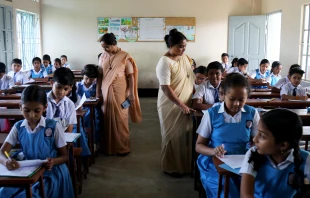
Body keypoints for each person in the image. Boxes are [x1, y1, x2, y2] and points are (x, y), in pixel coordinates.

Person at [0, 85, 74, 198]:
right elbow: (3, 152)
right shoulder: (19, 127)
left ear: (45, 108)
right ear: (20, 107)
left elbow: (65, 156)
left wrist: (53, 161)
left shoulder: (53, 126)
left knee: (28, 195)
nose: (31, 115)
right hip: (27, 171)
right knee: (3, 193)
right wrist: (6, 161)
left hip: (50, 172)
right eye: (27, 110)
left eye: (37, 111)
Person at [196, 73, 260, 198]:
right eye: (232, 99)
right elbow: (199, 146)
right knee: (227, 190)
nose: (236, 104)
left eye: (241, 100)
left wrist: (255, 146)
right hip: (216, 162)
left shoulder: (252, 113)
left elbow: (257, 141)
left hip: (244, 161)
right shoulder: (212, 114)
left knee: (257, 188)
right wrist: (214, 151)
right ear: (222, 95)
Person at [240, 109, 310, 198]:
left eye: (262, 136)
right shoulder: (253, 154)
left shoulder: (305, 159)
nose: (254, 139)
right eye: (258, 132)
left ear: (283, 145)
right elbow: (246, 195)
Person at [156, 29, 195, 177]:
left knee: (185, 134)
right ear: (170, 45)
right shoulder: (164, 62)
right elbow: (166, 88)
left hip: (186, 102)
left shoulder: (184, 57)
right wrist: (181, 104)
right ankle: (172, 167)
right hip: (170, 105)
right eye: (180, 46)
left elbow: (189, 76)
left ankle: (185, 166)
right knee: (172, 136)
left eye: (185, 46)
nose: (183, 49)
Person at [97, 33, 142, 156]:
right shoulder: (102, 57)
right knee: (107, 117)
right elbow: (100, 76)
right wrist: (98, 92)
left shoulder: (124, 56)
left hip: (120, 90)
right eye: (103, 47)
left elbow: (131, 76)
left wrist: (131, 93)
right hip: (106, 90)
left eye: (106, 47)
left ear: (113, 44)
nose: (104, 49)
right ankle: (109, 147)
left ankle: (122, 147)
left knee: (121, 118)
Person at [46, 67, 77, 132]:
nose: (61, 92)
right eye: (58, 87)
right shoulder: (43, 100)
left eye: (65, 89)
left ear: (70, 88)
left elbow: (69, 129)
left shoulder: (70, 104)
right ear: (51, 83)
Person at [77, 64, 101, 145]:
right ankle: (85, 139)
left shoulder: (96, 87)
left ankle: (93, 141)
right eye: (86, 78)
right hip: (81, 108)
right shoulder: (78, 86)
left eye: (91, 79)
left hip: (93, 108)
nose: (88, 81)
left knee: (95, 116)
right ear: (83, 75)